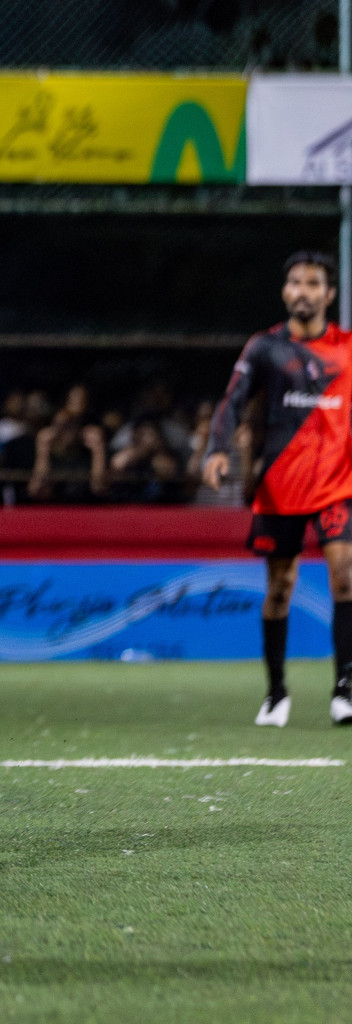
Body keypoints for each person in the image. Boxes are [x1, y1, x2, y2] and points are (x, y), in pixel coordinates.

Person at [203, 251, 352, 727]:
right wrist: (217, 449)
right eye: (294, 282)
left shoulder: (348, 348)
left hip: (337, 483)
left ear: (329, 294)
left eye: (312, 283)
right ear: (285, 291)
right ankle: (275, 692)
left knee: (345, 575)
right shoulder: (264, 347)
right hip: (281, 485)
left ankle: (345, 688)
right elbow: (233, 400)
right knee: (279, 589)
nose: (302, 291)